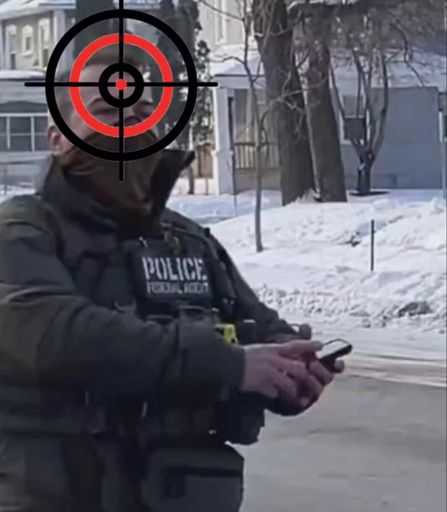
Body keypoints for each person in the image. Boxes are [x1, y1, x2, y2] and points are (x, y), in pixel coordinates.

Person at [0, 50, 343, 512]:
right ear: (58, 139)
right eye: (106, 111)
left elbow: (257, 332)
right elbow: (53, 333)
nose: (131, 124)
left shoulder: (188, 241)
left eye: (144, 111)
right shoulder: (23, 229)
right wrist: (226, 363)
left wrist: (289, 369)